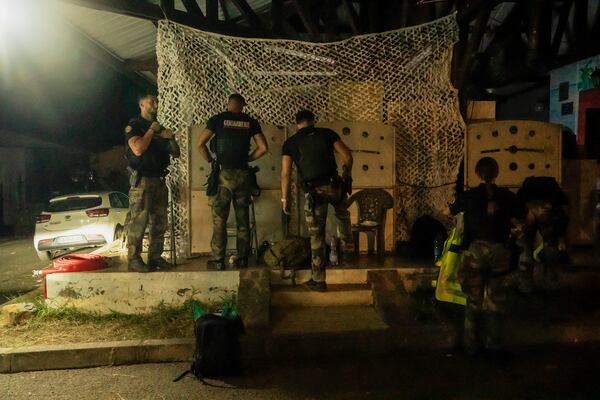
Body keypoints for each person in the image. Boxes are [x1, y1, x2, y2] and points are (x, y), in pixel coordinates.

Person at [449, 157, 524, 355]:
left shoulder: (469, 196)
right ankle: (494, 342)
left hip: (475, 251)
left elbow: (450, 210)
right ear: (497, 173)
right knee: (496, 300)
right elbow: (522, 215)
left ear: (477, 173)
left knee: (473, 299)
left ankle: (471, 343)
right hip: (500, 252)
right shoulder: (507, 196)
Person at [280, 110, 354, 292]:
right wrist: (346, 174)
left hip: (314, 192)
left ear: (296, 123)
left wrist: (285, 199)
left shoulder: (290, 143)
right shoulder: (328, 133)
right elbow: (347, 156)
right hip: (335, 186)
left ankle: (318, 280)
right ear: (313, 121)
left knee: (317, 236)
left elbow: (286, 174)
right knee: (343, 216)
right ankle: (348, 251)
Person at [197, 94, 268, 270]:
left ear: (228, 103)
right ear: (243, 105)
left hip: (223, 175)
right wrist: (248, 159)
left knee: (220, 219)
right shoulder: (250, 122)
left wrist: (210, 160)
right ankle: (243, 258)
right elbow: (264, 148)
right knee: (242, 220)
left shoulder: (217, 120)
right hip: (243, 175)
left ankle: (218, 260)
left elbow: (200, 144)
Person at [124, 94, 180, 272]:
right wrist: (150, 131)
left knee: (159, 222)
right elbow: (138, 149)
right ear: (141, 104)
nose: (156, 104)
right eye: (151, 102)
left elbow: (176, 153)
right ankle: (133, 259)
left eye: (156, 102)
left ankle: (155, 257)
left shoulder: (159, 127)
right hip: (143, 180)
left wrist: (170, 138)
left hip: (159, 179)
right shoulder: (135, 125)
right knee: (139, 221)